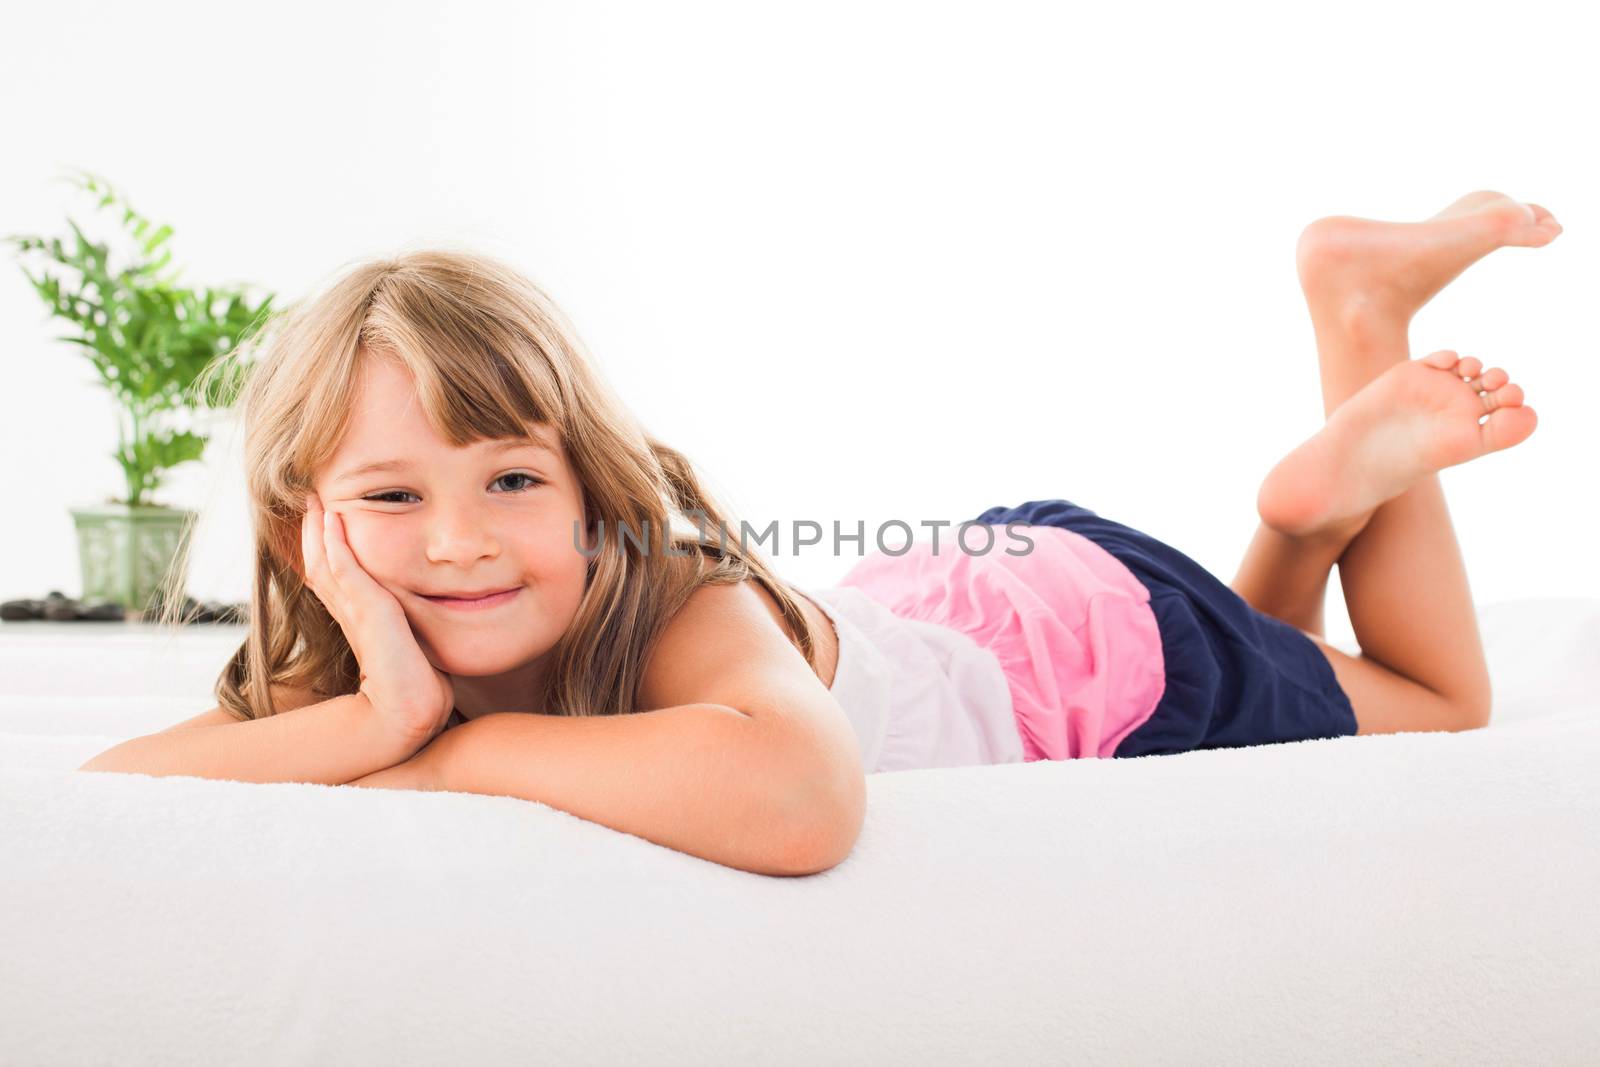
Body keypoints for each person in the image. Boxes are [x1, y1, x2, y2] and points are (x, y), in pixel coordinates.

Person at [78, 190, 1559, 875]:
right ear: (301, 530)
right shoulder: (370, 669)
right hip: (966, 596)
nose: (459, 542)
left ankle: (1358, 332)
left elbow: (800, 804)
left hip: (1093, 652)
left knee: (1436, 705)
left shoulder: (670, 597)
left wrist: (441, 747)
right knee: (1288, 660)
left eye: (512, 481)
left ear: (593, 492)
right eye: (393, 499)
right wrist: (383, 707)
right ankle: (1304, 506)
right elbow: (111, 788)